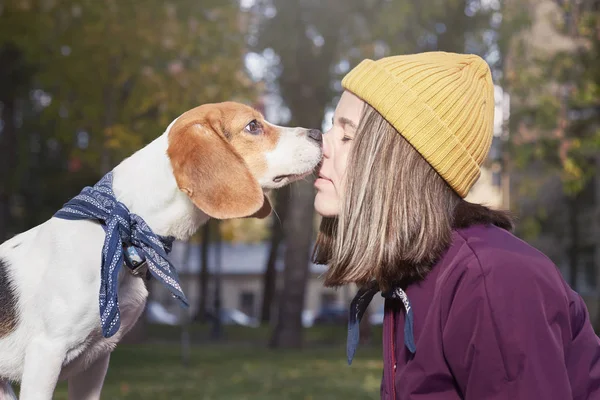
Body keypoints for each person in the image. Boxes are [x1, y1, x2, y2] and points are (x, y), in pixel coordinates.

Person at [312, 51, 600, 399]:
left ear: (400, 160)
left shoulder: (491, 281)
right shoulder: (410, 275)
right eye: (332, 127)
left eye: (347, 136)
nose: (322, 145)